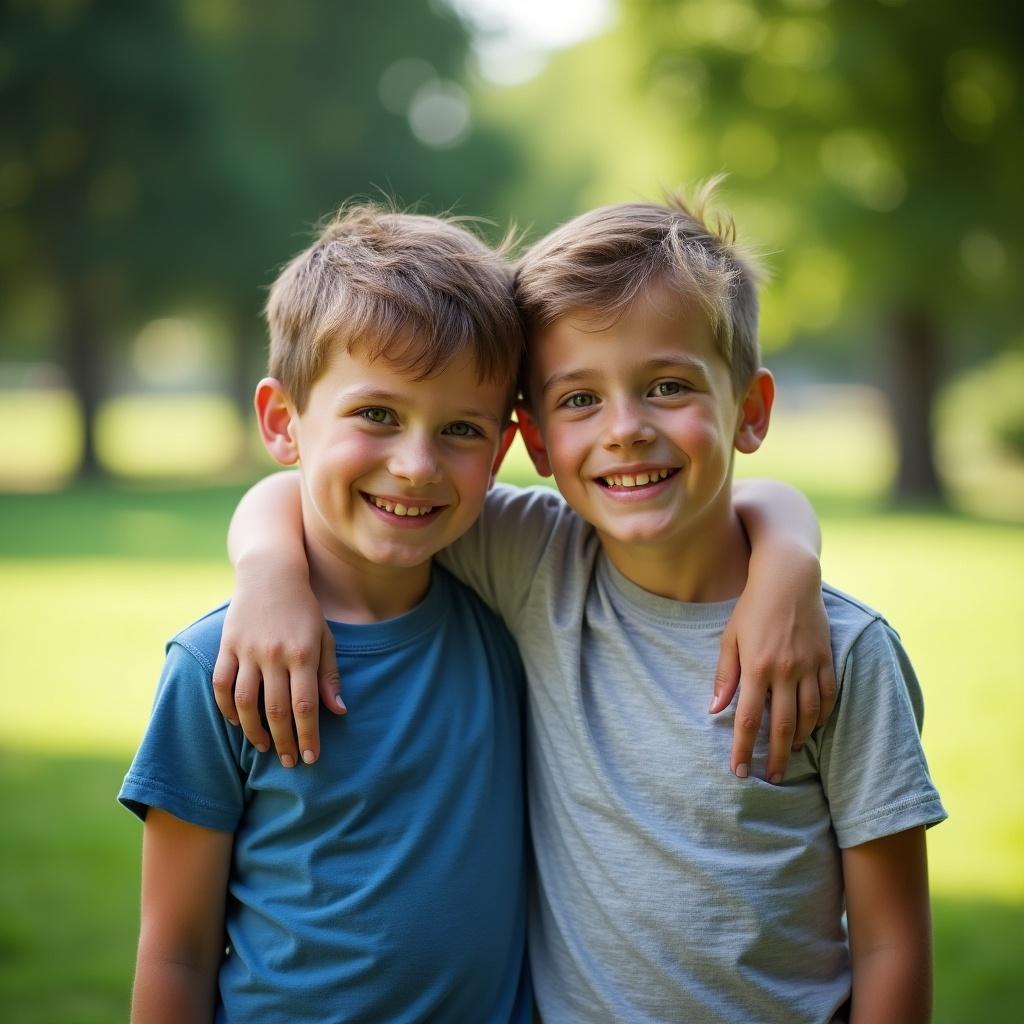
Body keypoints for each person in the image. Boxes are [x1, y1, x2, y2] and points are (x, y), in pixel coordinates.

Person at [211, 184, 941, 1023]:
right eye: (580, 399)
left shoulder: (842, 654)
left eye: (668, 386)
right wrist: (268, 571)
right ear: (535, 442)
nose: (624, 428)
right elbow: (312, 489)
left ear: (751, 409)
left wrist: (788, 562)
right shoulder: (536, 562)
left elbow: (892, 943)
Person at [118, 206, 534, 1023]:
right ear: (282, 421)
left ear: (503, 449)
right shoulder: (216, 665)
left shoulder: (516, 614)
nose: (416, 467)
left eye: (459, 429)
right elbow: (175, 950)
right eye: (377, 415)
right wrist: (268, 565)